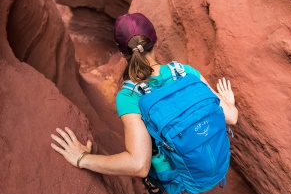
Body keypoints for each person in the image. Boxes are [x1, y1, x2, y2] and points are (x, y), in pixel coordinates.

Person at [51, 13, 238, 177]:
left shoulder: (129, 96)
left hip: (183, 176)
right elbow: (231, 117)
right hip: (218, 164)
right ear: (155, 41)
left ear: (123, 53)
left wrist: (82, 158)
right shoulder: (186, 72)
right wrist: (229, 102)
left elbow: (139, 166)